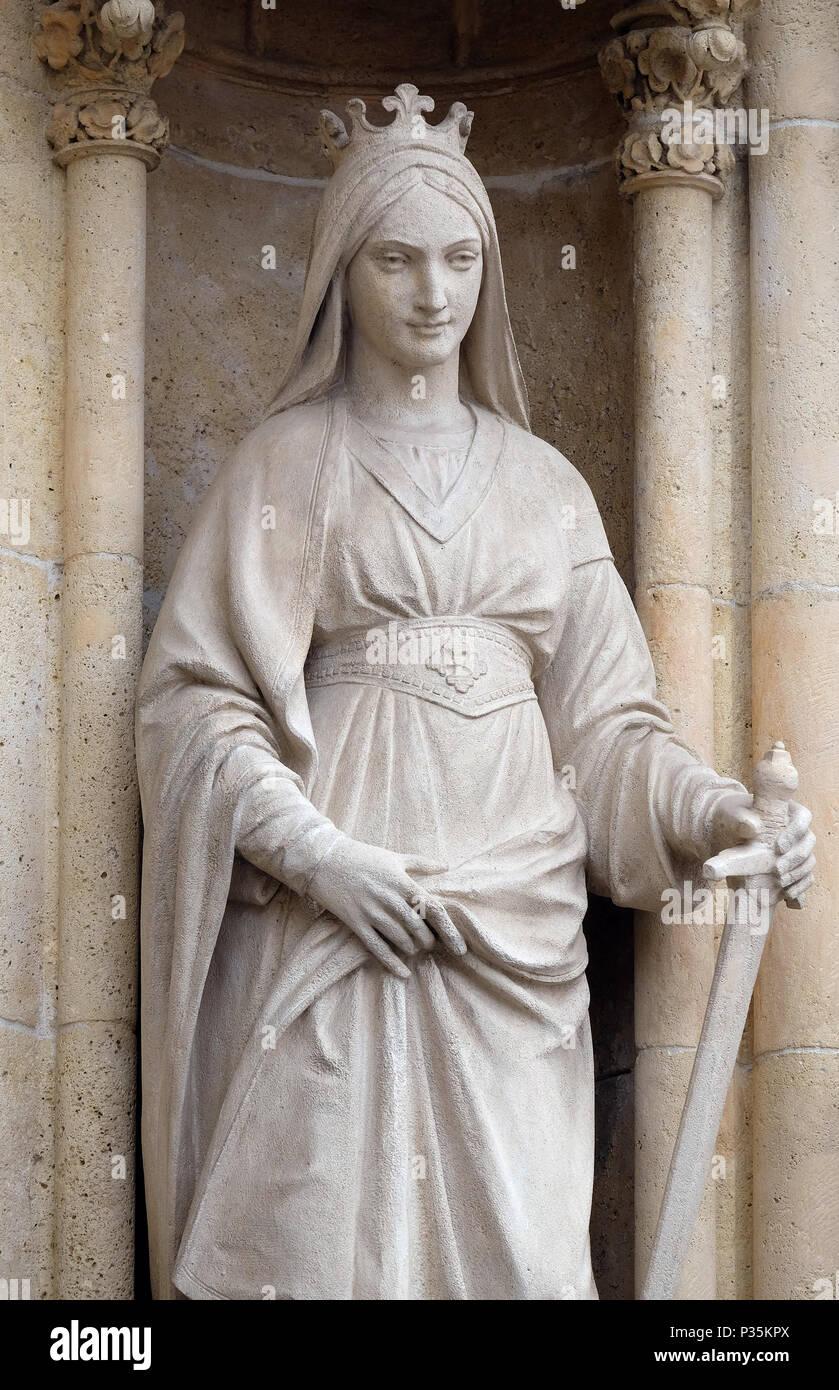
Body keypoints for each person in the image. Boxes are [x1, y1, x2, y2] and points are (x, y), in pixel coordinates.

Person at [136, 85, 816, 1300]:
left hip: (512, 930)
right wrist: (320, 858)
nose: (430, 293)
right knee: (310, 1240)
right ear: (345, 272)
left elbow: (607, 733)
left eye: (457, 260)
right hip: (332, 918)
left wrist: (713, 815)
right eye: (395, 260)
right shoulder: (286, 465)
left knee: (520, 1254)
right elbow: (193, 706)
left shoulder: (547, 489)